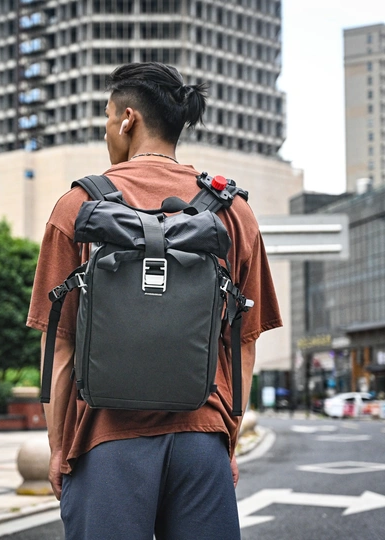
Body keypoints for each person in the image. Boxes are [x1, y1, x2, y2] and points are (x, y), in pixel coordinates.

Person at [26, 62, 282, 540]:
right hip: (201, 439)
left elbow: (59, 347)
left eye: (107, 118)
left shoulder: (77, 207)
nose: (107, 130)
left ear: (128, 119)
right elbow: (243, 344)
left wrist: (59, 447)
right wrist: (226, 439)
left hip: (104, 440)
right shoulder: (233, 212)